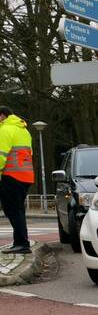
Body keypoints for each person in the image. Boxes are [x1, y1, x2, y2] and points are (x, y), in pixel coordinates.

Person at [0, 106, 35, 255]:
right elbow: (30, 153)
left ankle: (22, 244)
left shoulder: (5, 130)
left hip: (11, 176)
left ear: (2, 116)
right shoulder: (23, 130)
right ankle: (19, 243)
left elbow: (1, 155)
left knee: (13, 211)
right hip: (25, 176)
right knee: (18, 210)